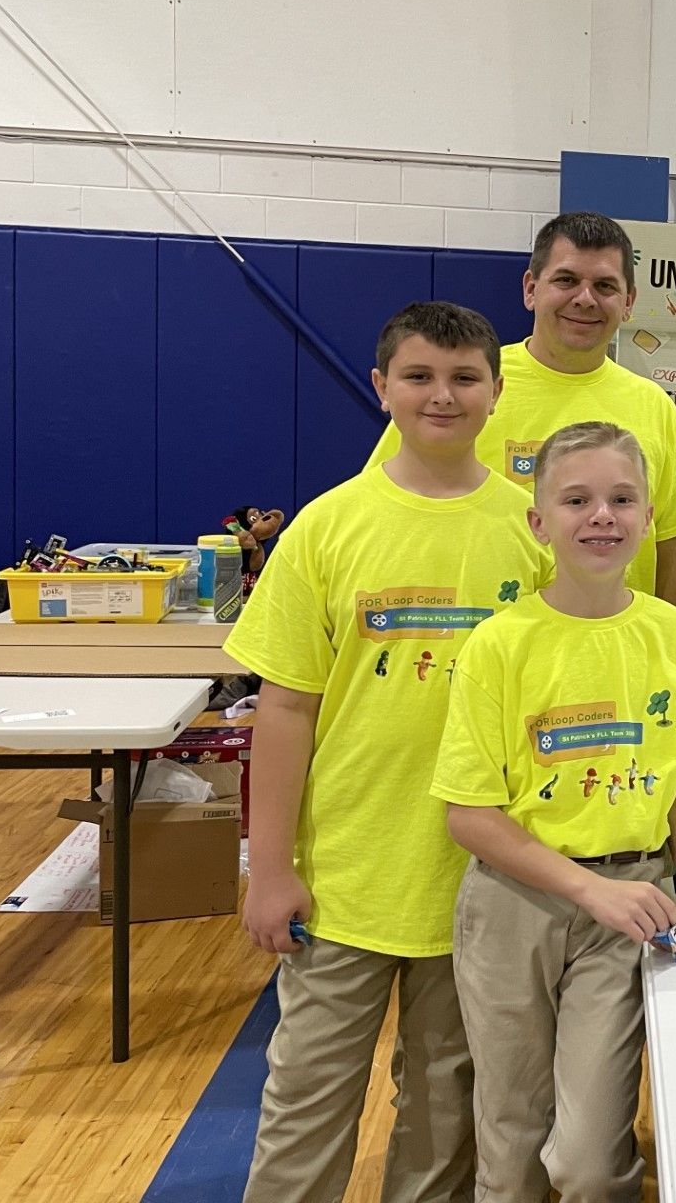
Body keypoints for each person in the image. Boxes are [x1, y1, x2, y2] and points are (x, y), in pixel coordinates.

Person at [227, 300, 546, 1202]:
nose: (441, 395)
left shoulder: (536, 532)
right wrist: (271, 867)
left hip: (480, 879)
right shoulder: (327, 529)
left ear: (495, 391)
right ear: (381, 389)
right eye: (418, 376)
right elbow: (284, 709)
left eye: (463, 378)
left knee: (444, 1102)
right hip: (346, 876)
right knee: (307, 1096)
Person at [432, 422, 676, 1201]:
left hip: (628, 905)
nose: (602, 516)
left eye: (622, 499)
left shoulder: (673, 635)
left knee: (592, 1157)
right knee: (512, 1134)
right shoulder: (501, 645)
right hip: (513, 905)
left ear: (648, 514)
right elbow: (470, 815)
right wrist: (585, 888)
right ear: (539, 523)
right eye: (577, 500)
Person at [368, 211, 676, 613]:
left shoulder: (654, 407)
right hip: (479, 642)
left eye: (604, 286)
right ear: (531, 289)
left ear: (628, 303)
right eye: (566, 280)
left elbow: (670, 546)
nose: (585, 299)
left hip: (610, 653)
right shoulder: (470, 388)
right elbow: (391, 513)